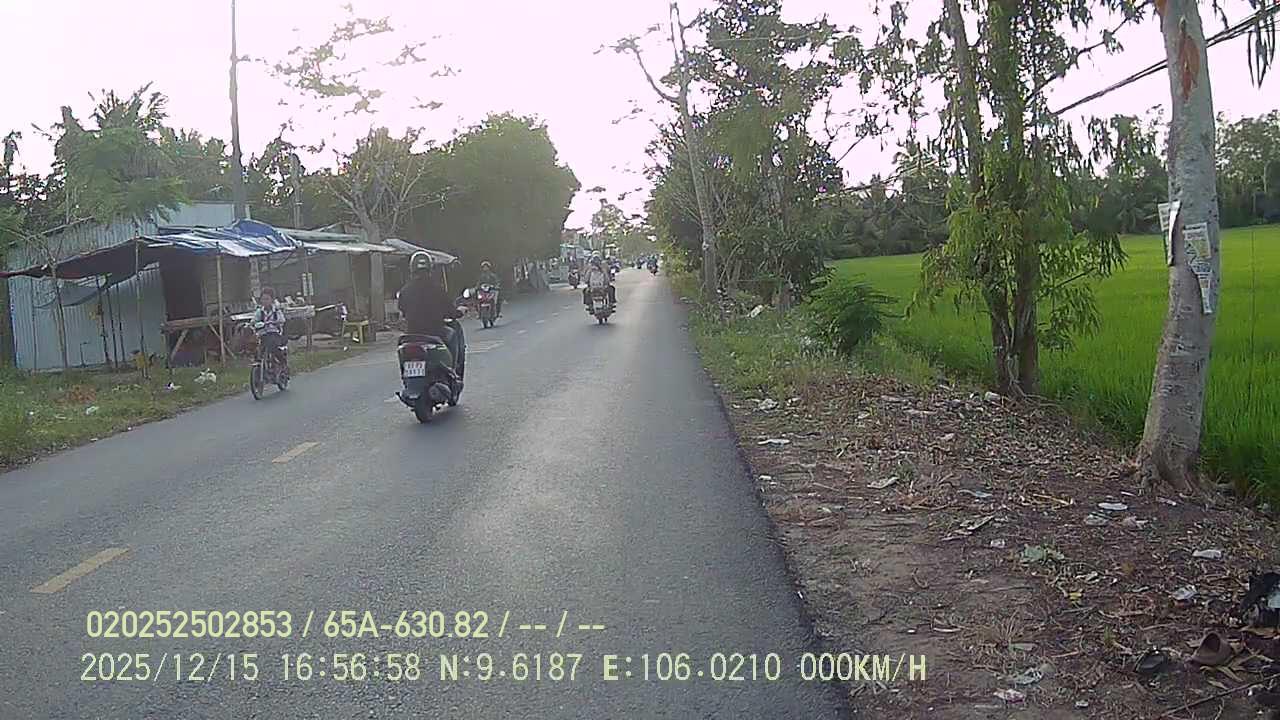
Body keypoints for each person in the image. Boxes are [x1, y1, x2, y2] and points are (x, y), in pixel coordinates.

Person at [398, 252, 466, 378]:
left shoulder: (405, 290)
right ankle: (454, 372)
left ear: (412, 269)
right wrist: (459, 312)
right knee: (453, 335)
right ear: (430, 269)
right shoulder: (437, 288)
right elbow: (450, 311)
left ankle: (406, 375)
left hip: (411, 334)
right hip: (435, 331)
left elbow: (402, 309)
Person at [253, 288, 288, 369]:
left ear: (272, 300)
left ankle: (282, 362)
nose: (265, 301)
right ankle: (259, 362)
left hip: (275, 334)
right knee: (257, 347)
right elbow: (254, 321)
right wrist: (254, 324)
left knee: (273, 345)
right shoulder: (259, 311)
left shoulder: (276, 311)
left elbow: (282, 320)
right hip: (263, 334)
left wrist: (275, 322)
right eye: (263, 299)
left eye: (267, 299)